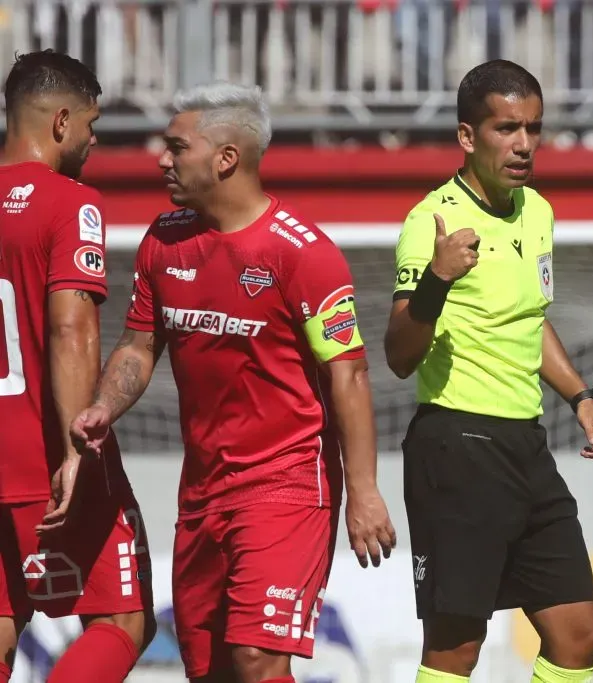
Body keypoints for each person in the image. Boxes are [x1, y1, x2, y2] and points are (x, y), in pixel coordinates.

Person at [70, 82, 397, 683]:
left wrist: (366, 491)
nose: (161, 159)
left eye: (176, 146)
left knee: (256, 658)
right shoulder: (164, 240)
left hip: (287, 484)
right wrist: (102, 408)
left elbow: (348, 373)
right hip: (201, 493)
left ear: (226, 159)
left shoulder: (302, 254)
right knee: (213, 670)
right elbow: (140, 346)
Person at [384, 58, 593, 683]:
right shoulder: (430, 222)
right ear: (467, 136)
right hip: (456, 445)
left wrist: (579, 395)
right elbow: (399, 355)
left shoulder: (536, 212)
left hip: (525, 446)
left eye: (533, 129)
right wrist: (436, 278)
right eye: (506, 128)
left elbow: (530, 317)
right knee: (457, 648)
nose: (523, 144)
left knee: (578, 635)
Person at [0, 49, 156, 682]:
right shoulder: (71, 202)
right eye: (91, 125)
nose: (93, 141)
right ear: (61, 121)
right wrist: (74, 448)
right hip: (41, 453)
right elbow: (70, 326)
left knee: (5, 620)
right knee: (125, 620)